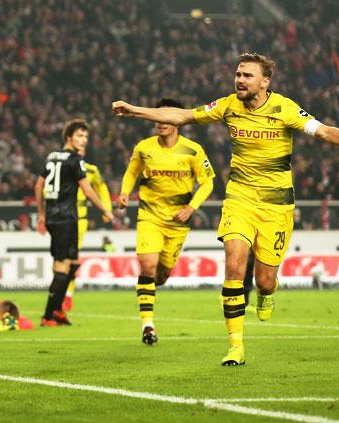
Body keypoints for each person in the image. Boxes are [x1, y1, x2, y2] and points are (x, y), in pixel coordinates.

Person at [112, 53, 339, 365]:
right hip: (239, 198)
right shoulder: (227, 105)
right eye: (238, 74)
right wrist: (134, 111)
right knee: (234, 265)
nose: (240, 80)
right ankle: (235, 345)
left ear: (265, 82)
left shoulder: (285, 108)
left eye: (248, 75)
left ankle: (266, 292)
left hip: (276, 205)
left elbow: (323, 131)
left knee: (264, 279)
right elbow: (182, 116)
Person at [118, 98, 214, 346]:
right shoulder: (144, 148)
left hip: (177, 221)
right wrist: (125, 193)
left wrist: (191, 208)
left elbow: (208, 182)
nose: (160, 122)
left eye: (165, 117)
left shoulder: (193, 150)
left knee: (161, 275)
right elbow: (132, 172)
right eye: (156, 117)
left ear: (176, 121)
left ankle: (153, 286)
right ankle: (148, 325)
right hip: (149, 215)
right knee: (147, 266)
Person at [35, 119, 114, 327]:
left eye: (86, 136)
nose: (84, 140)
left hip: (55, 216)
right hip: (66, 217)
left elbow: (38, 184)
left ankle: (58, 310)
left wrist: (41, 213)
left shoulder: (52, 157)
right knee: (62, 265)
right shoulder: (75, 159)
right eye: (80, 136)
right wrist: (105, 209)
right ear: (69, 137)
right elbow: (87, 190)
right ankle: (48, 315)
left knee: (71, 263)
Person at [62, 141, 113, 313]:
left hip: (79, 219)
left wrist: (107, 208)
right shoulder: (62, 165)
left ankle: (67, 295)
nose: (79, 151)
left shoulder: (91, 170)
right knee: (61, 258)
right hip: (61, 217)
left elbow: (102, 187)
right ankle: (63, 293)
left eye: (82, 148)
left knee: (71, 256)